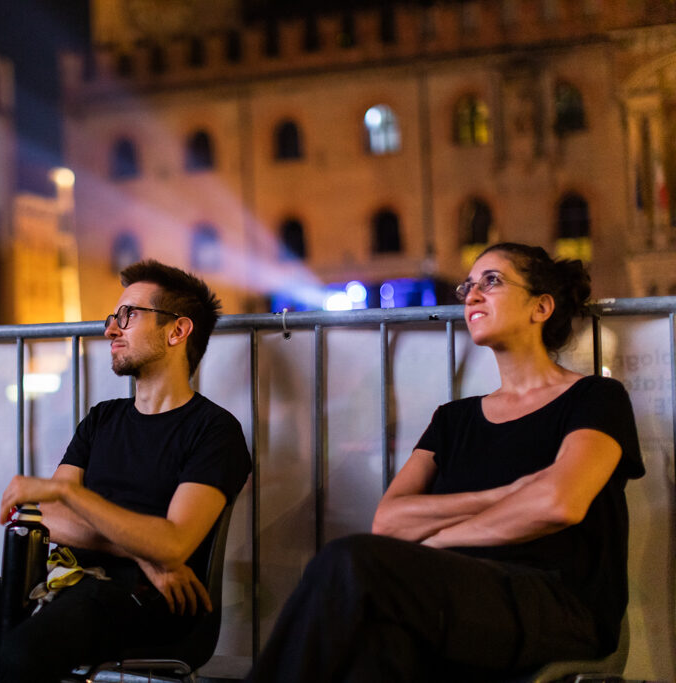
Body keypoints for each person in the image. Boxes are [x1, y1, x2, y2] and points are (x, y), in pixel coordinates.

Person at [246, 243, 644, 682]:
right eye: (468, 286)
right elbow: (390, 521)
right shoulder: (454, 419)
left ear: (541, 307)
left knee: (352, 563)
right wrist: (508, 494)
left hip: (558, 605)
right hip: (452, 597)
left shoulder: (595, 398)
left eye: (492, 281)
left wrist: (439, 538)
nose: (472, 295)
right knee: (373, 643)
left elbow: (558, 503)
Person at [0, 260, 252, 683]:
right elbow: (50, 518)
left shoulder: (214, 431)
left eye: (128, 315)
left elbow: (172, 544)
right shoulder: (102, 419)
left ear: (177, 330)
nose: (110, 330)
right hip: (55, 582)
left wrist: (72, 496)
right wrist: (140, 551)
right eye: (113, 317)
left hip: (146, 602)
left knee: (23, 655)